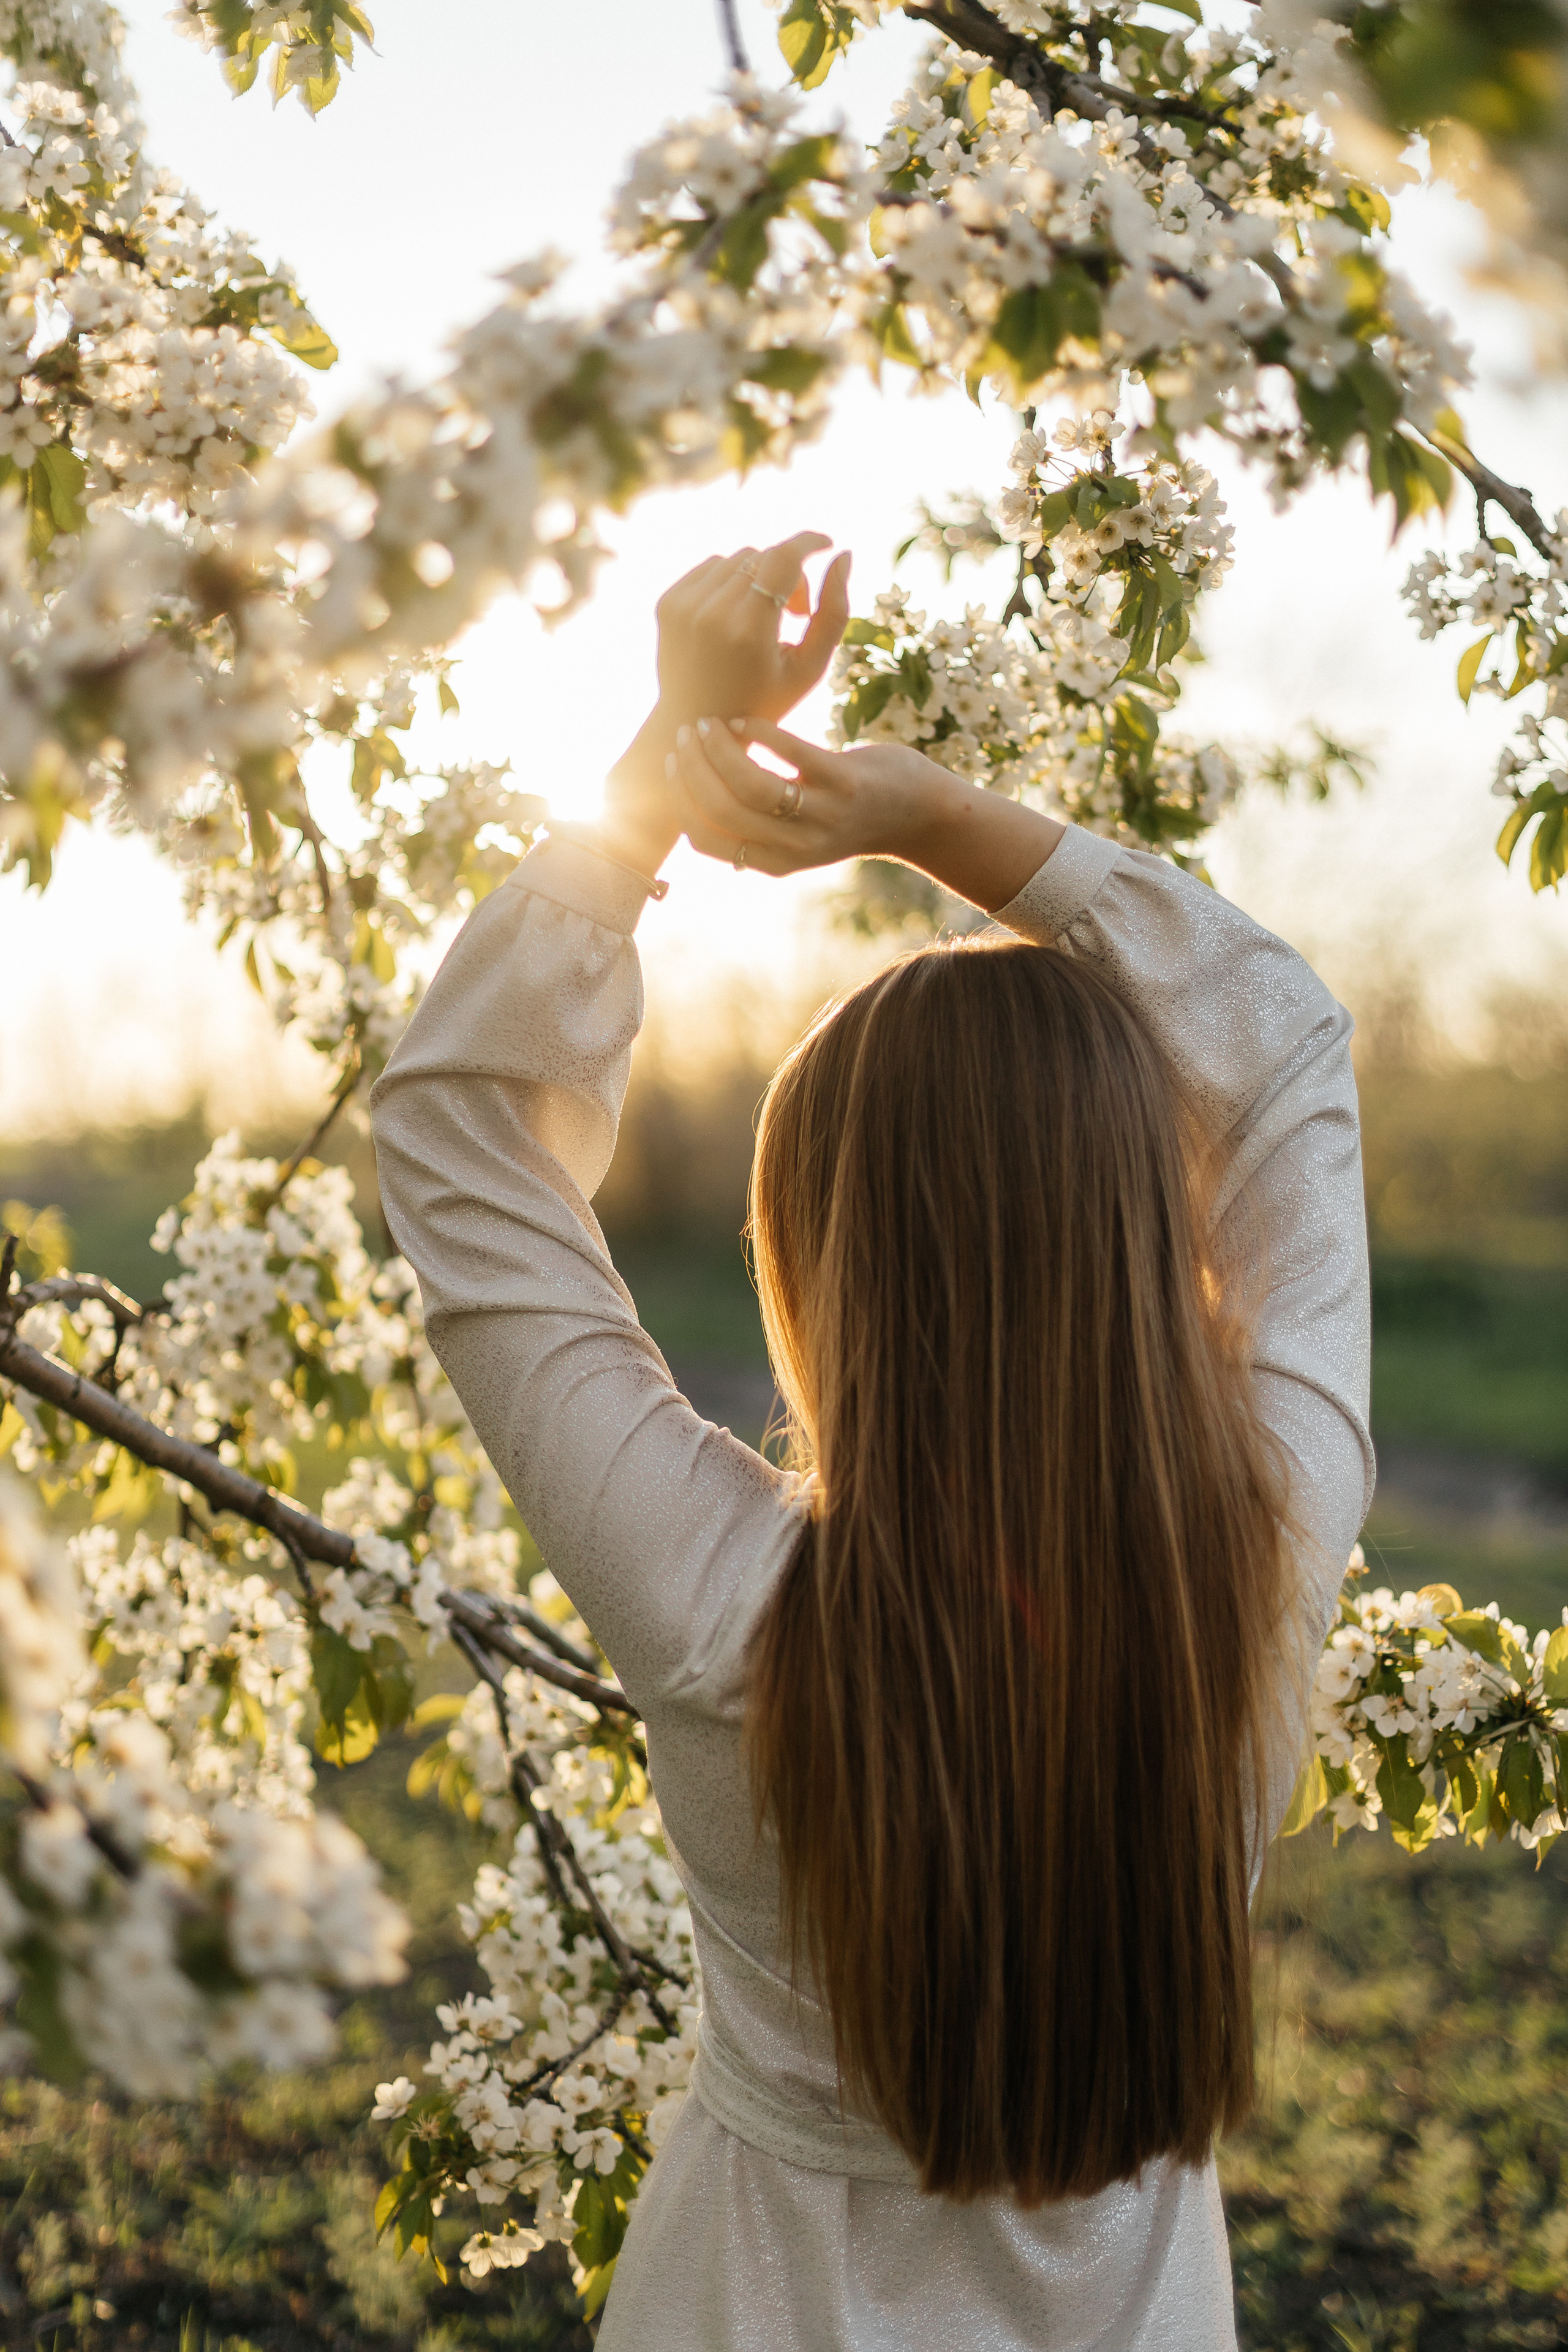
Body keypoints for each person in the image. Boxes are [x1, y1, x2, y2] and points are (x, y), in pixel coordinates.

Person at [371, 529, 1373, 2350]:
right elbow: (1290, 1057)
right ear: (1154, 1241)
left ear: (822, 1267)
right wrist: (935, 819)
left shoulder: (723, 1595)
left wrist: (652, 782)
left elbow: (461, 1136)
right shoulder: (1271, 1549)